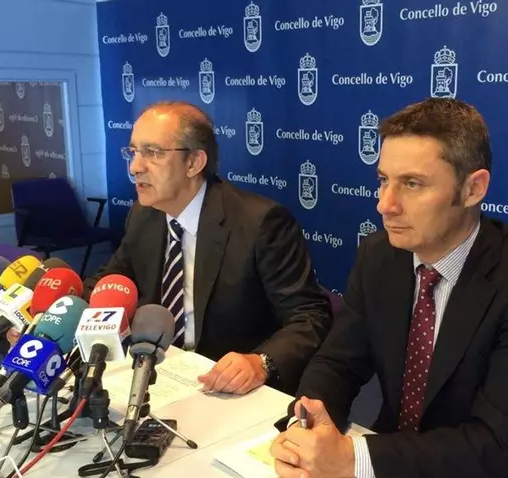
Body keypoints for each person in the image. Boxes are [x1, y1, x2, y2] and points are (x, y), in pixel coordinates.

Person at [270, 98, 508, 478]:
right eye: (383, 180)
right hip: (389, 457)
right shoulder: (379, 255)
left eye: (412, 184)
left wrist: (352, 458)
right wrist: (304, 428)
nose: (385, 205)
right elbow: (338, 363)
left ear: (473, 189)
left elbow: (499, 446)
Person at [82, 100, 332, 396]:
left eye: (153, 152)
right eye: (133, 152)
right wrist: (60, 312)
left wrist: (261, 362)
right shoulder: (144, 215)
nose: (135, 167)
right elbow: (111, 281)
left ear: (194, 163)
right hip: (158, 372)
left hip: (226, 386)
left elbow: (310, 315)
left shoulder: (260, 223)